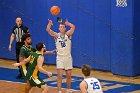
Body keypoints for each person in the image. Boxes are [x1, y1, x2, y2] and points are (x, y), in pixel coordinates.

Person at [46, 19, 75, 93]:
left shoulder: (68, 34)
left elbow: (73, 27)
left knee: (68, 75)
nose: (61, 28)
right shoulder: (56, 35)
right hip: (60, 58)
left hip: (68, 57)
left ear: (65, 28)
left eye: (63, 27)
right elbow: (48, 30)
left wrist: (68, 23)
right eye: (60, 27)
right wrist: (49, 23)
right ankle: (59, 91)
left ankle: (68, 90)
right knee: (59, 76)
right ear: (59, 28)